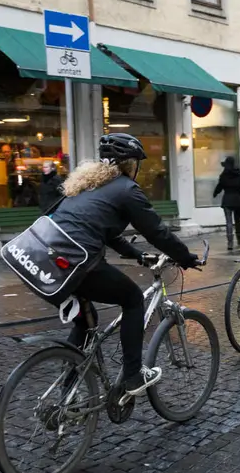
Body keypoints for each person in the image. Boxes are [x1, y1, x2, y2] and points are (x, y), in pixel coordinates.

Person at [50, 133, 201, 397]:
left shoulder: (87, 186)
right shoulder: (127, 189)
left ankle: (68, 393)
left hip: (50, 261)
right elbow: (157, 232)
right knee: (132, 299)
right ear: (131, 164)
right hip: (79, 262)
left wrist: (138, 255)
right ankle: (133, 376)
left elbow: (107, 232)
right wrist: (186, 257)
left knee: (85, 323)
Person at [213, 156, 240, 250]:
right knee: (237, 221)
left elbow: (219, 187)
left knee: (228, 222)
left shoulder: (223, 175)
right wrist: (239, 193)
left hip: (227, 200)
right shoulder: (239, 175)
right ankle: (239, 238)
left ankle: (230, 243)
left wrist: (215, 193)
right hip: (237, 200)